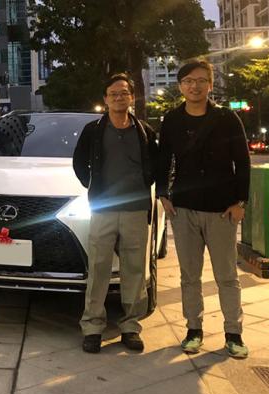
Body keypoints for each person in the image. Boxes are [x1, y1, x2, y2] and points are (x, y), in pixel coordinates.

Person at [156, 60, 251, 358]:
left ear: (210, 84)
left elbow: (243, 161)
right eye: (188, 81)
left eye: (200, 81)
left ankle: (234, 334)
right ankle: (193, 330)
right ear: (180, 86)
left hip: (222, 210)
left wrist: (240, 201)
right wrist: (163, 194)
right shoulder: (172, 120)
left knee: (227, 276)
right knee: (189, 276)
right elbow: (163, 159)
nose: (194, 86)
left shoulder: (227, 118)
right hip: (183, 210)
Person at [73, 73, 158, 353]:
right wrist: (91, 186)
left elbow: (156, 163)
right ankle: (92, 327)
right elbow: (79, 162)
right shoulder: (93, 130)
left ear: (132, 97)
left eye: (124, 93)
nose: (119, 97)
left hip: (136, 208)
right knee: (98, 268)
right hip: (103, 208)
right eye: (113, 94)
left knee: (134, 270)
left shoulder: (144, 131)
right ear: (106, 99)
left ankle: (131, 326)